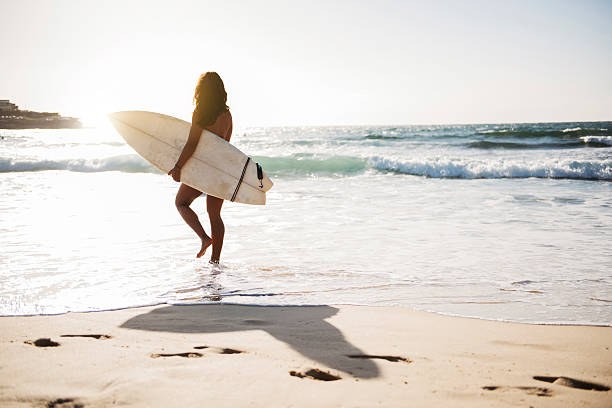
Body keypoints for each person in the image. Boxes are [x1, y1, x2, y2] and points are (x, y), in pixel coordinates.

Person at [168, 72, 233, 263]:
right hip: (221, 170)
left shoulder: (200, 114)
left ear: (201, 91)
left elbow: (191, 144)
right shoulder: (227, 115)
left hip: (203, 170)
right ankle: (215, 261)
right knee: (215, 215)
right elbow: (227, 145)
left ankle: (204, 238)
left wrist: (178, 166)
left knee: (181, 203)